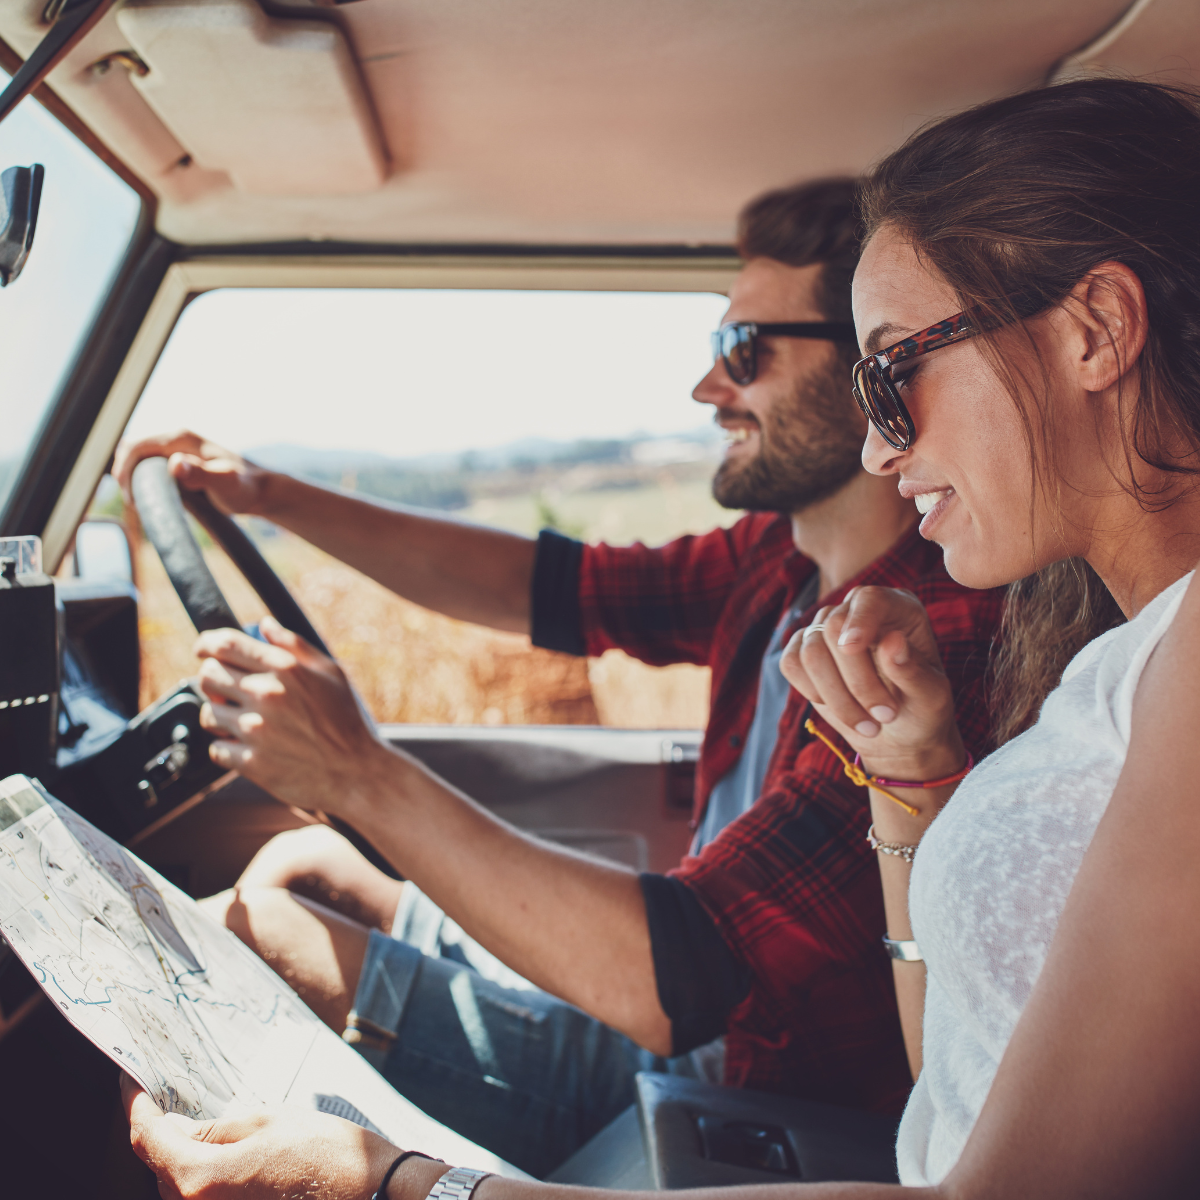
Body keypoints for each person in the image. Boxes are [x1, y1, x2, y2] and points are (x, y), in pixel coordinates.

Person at [124, 75, 1200, 1200]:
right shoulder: (823, 583)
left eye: (891, 371)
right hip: (736, 1075)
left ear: (1097, 331)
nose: (885, 450)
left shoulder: (1013, 627)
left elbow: (702, 993)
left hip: (746, 1082)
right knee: (291, 885)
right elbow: (958, 1097)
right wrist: (914, 782)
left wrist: (400, 1187)